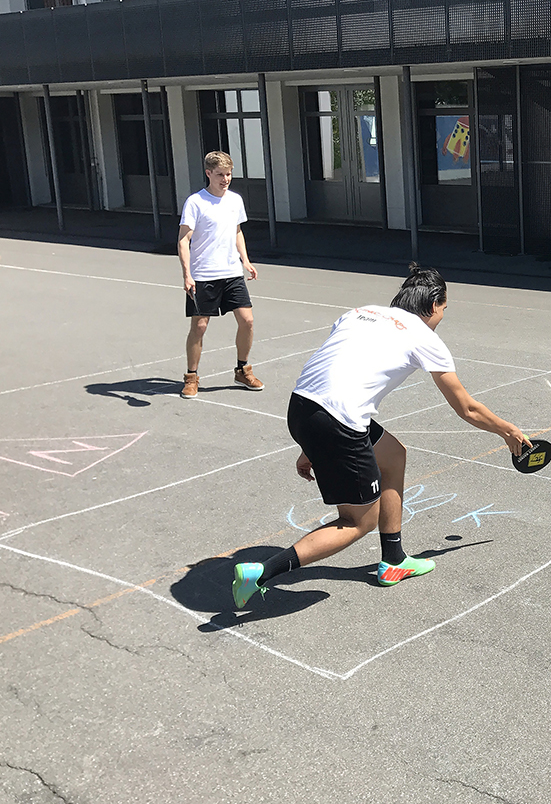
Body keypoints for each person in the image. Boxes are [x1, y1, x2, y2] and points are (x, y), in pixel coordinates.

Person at [232, 264, 529, 609]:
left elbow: (332, 369)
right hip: (337, 420)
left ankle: (394, 560)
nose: (442, 316)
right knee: (358, 521)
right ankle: (261, 573)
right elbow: (466, 407)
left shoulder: (362, 313)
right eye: (444, 309)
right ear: (434, 304)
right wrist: (508, 431)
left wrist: (311, 443)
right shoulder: (424, 336)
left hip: (302, 408)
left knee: (393, 454)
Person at [177, 150, 264, 399]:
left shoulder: (235, 200)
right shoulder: (196, 202)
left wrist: (245, 261)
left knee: (247, 320)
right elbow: (184, 240)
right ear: (208, 173)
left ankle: (242, 370)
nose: (225, 179)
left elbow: (237, 231)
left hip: (231, 273)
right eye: (220, 175)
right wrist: (187, 274)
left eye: (228, 174)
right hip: (203, 274)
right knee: (200, 326)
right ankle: (191, 376)